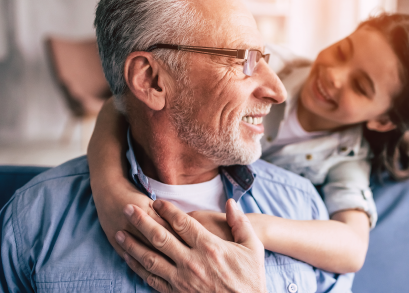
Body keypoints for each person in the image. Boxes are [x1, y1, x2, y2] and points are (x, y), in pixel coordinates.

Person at [0, 0, 356, 292]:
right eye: (244, 61)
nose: (278, 91)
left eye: (265, 59)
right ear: (152, 80)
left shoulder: (303, 208)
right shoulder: (36, 220)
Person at [87, 12, 409, 278]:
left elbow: (352, 248)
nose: (335, 76)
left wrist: (253, 227)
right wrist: (110, 192)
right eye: (343, 51)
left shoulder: (346, 158)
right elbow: (124, 101)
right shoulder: (267, 63)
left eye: (361, 86)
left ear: (382, 121)